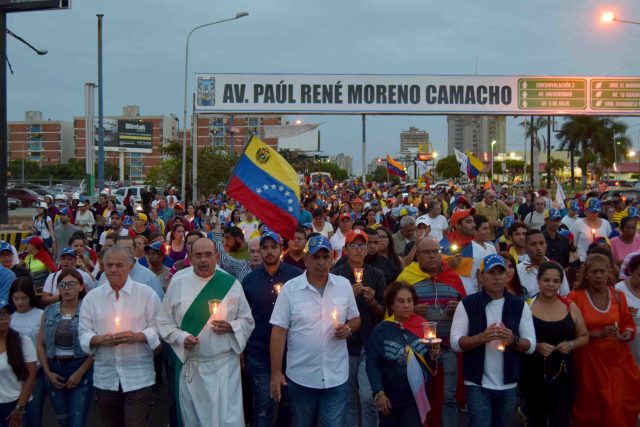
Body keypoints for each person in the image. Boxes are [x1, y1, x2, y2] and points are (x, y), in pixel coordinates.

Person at [157, 238, 255, 426]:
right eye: (198, 255)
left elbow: (247, 321)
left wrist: (231, 327)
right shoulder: (178, 284)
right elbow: (163, 321)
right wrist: (181, 337)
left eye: (208, 255)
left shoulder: (231, 284)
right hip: (193, 368)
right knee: (195, 420)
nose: (203, 260)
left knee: (227, 421)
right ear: (191, 258)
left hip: (225, 368)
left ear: (217, 257)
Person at [269, 235, 360, 427]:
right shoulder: (290, 290)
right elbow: (279, 331)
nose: (321, 262)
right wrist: (276, 372)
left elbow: (355, 319)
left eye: (325, 257)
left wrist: (348, 328)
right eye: (315, 257)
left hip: (336, 376)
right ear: (306, 260)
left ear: (332, 258)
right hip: (302, 377)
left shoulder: (343, 286)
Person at [79, 246, 162, 427]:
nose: (113, 270)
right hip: (105, 377)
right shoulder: (92, 298)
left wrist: (138, 336)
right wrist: (101, 340)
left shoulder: (146, 294)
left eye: (119, 265)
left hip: (138, 375)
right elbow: (84, 333)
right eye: (108, 265)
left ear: (130, 266)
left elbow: (159, 327)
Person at [450, 254, 536, 427]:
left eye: (500, 272)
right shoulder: (468, 304)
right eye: (491, 272)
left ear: (507, 275)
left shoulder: (519, 305)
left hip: (508, 384)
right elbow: (455, 342)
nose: (496, 277)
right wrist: (481, 338)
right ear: (481, 276)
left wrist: (513, 339)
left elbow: (531, 345)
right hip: (477, 383)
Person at [397, 236, 466, 427]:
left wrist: (459, 307)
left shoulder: (452, 277)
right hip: (417, 351)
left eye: (436, 251)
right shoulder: (407, 278)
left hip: (447, 348)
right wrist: (412, 311)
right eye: (427, 252)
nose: (433, 256)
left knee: (448, 397)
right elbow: (392, 309)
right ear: (418, 256)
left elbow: (468, 310)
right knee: (420, 396)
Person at [568, 253, 640, 426]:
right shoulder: (575, 298)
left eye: (602, 271)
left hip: (616, 361)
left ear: (609, 272)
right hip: (589, 363)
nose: (599, 276)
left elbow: (628, 324)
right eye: (594, 272)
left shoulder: (617, 296)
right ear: (586, 274)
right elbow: (569, 331)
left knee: (618, 404)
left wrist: (626, 334)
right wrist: (596, 334)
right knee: (592, 407)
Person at [241, 232, 302, 427]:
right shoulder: (250, 280)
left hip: (291, 352)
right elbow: (243, 316)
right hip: (259, 350)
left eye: (273, 247)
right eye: (265, 248)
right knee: (263, 406)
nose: (269, 251)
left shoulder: (296, 277)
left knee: (288, 405)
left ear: (280, 249)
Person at [520, 262, 589, 427]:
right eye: (546, 280)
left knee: (561, 420)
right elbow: (517, 339)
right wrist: (535, 346)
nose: (551, 285)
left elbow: (584, 336)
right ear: (538, 280)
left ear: (560, 283)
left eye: (555, 281)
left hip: (563, 376)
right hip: (534, 375)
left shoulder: (570, 307)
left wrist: (571, 344)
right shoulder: (526, 306)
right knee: (537, 420)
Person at [365, 282, 440, 427]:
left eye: (410, 300)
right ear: (391, 305)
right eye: (401, 301)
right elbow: (372, 363)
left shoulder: (423, 326)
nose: (407, 305)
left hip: (415, 397)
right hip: (389, 398)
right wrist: (379, 393)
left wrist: (434, 354)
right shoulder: (381, 330)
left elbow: (432, 365)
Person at [331, 229, 385, 427]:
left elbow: (382, 312)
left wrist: (371, 302)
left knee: (368, 397)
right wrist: (349, 298)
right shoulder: (336, 275)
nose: (359, 249)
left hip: (369, 342)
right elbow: (330, 312)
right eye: (354, 245)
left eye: (363, 245)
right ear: (346, 249)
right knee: (349, 398)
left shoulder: (376, 275)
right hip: (346, 344)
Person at [37, 268, 94, 427]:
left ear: (81, 287)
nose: (67, 288)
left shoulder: (88, 311)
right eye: (62, 285)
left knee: (77, 421)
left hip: (80, 368)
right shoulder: (48, 311)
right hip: (54, 369)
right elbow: (41, 344)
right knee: (63, 420)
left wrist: (81, 372)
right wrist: (48, 372)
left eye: (71, 284)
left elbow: (95, 347)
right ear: (58, 288)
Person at [8, 278, 44, 427]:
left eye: (24, 298)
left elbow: (43, 344)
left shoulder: (41, 314)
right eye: (16, 298)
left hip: (35, 372)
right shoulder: (8, 316)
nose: (20, 302)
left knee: (33, 414)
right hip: (11, 372)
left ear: (31, 296)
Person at [0, 298, 37, 427]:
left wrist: (19, 408)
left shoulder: (22, 341)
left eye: (6, 314)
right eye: (0, 314)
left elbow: (31, 375)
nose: (4, 317)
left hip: (16, 405)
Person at [440, 208, 485, 295]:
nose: (474, 225)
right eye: (469, 222)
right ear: (457, 225)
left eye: (473, 221)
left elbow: (481, 279)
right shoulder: (440, 246)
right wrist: (447, 265)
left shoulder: (479, 249)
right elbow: (433, 275)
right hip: (446, 298)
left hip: (470, 299)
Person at [517, 230, 571, 297]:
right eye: (533, 244)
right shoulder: (518, 270)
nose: (538, 248)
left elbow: (565, 296)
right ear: (525, 248)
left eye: (541, 243)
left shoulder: (557, 268)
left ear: (546, 245)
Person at [569, 199, 612, 263]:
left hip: (601, 260)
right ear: (586, 210)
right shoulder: (577, 224)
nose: (594, 214)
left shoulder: (606, 224)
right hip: (583, 260)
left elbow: (609, 243)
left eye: (596, 212)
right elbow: (572, 244)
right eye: (591, 211)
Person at [616, 253, 640, 365]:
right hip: (631, 343)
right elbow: (612, 317)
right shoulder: (619, 290)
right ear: (630, 271)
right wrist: (625, 313)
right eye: (639, 275)